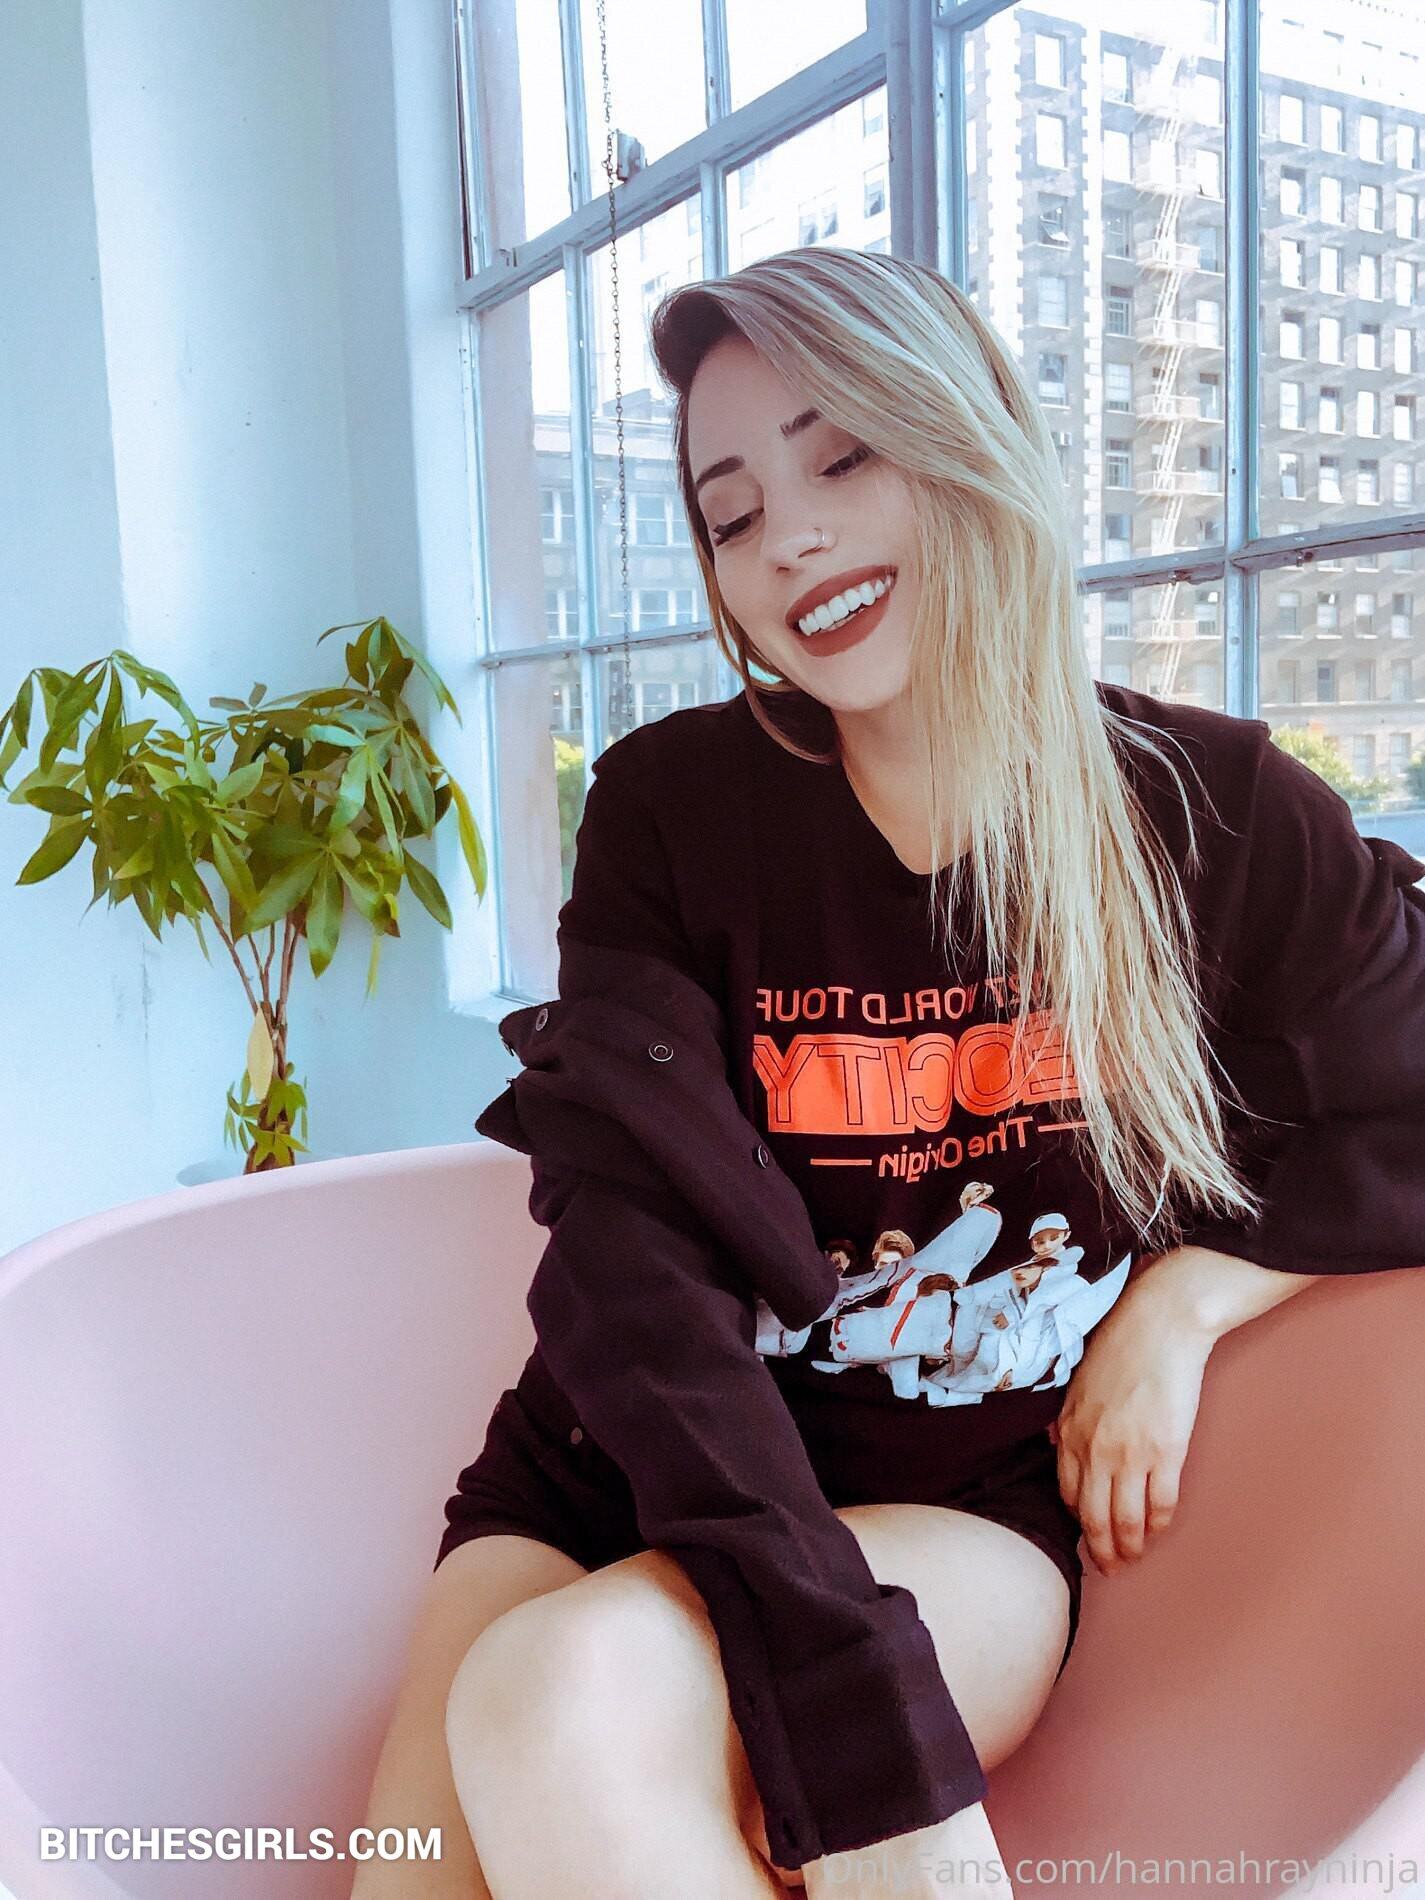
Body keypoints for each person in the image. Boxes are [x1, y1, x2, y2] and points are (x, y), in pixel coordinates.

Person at [352, 247, 1425, 1900]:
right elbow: (629, 1267)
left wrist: (1194, 1298)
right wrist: (856, 1724)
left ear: (968, 439)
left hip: (949, 1511)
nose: (785, 538)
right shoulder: (669, 813)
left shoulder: (1207, 816)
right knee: (478, 1782)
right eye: (729, 512)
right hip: (609, 1472)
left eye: (842, 457)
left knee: (557, 1700)